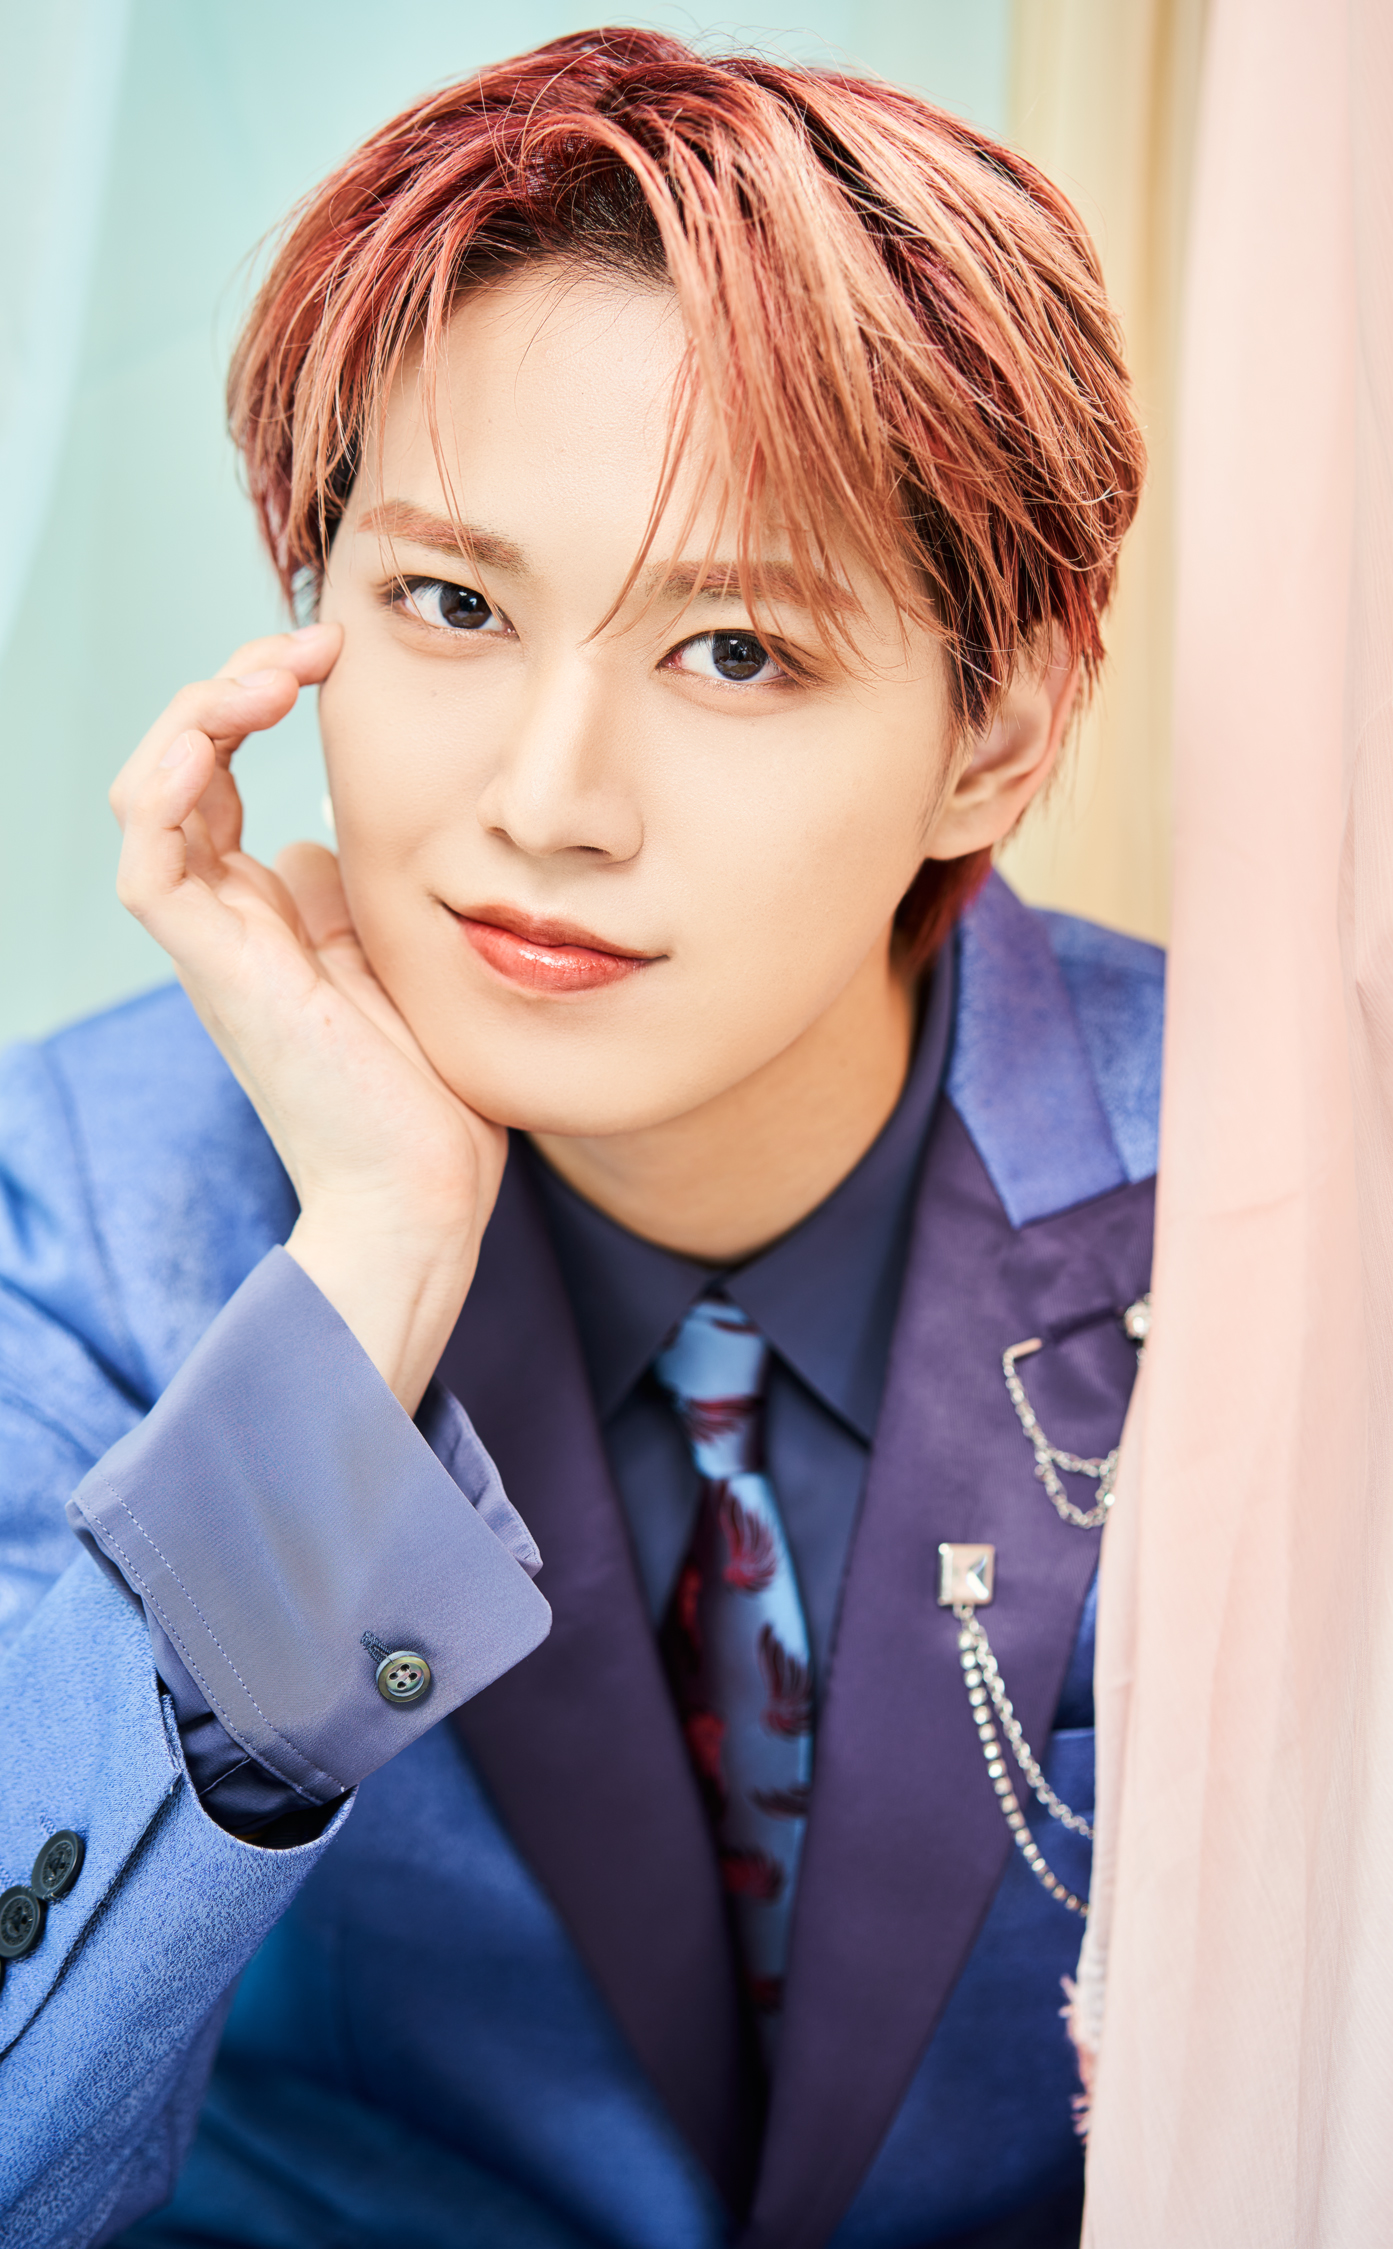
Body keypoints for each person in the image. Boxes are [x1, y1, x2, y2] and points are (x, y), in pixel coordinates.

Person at [0, 29, 1161, 2249]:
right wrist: (362, 1272)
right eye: (449, 605)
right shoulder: (78, 1207)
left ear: (994, 739)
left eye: (736, 652)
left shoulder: (1300, 1214)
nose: (546, 802)